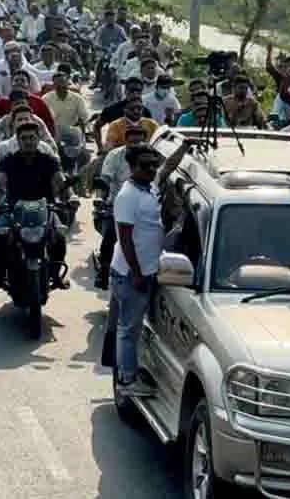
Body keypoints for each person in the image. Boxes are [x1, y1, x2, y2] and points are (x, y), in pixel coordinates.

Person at [104, 139, 195, 394]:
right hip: (131, 274)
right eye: (145, 166)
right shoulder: (128, 196)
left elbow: (167, 168)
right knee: (127, 329)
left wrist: (185, 147)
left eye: (153, 165)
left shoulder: (149, 186)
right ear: (131, 166)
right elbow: (124, 237)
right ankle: (127, 380)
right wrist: (136, 273)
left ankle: (132, 371)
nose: (152, 170)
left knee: (134, 327)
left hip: (146, 270)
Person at [0, 122, 69, 289]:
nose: (28, 141)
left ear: (38, 139)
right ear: (18, 140)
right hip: (14, 208)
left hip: (45, 208)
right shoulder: (9, 160)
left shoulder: (49, 160)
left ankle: (55, 274)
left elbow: (59, 180)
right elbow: (0, 183)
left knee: (60, 236)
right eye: (24, 138)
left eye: (32, 137)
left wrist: (70, 196)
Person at [95, 124, 147, 290]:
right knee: (110, 236)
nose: (136, 147)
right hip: (118, 205)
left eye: (139, 143)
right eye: (132, 143)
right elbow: (105, 179)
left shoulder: (151, 158)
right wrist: (102, 196)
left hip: (144, 207)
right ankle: (103, 271)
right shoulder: (115, 156)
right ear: (125, 141)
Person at [43, 64, 89, 136]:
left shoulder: (77, 99)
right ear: (54, 85)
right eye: (57, 83)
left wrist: (82, 136)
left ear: (68, 83)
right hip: (53, 132)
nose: (60, 85)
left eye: (62, 82)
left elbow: (83, 118)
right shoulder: (45, 99)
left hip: (72, 131)